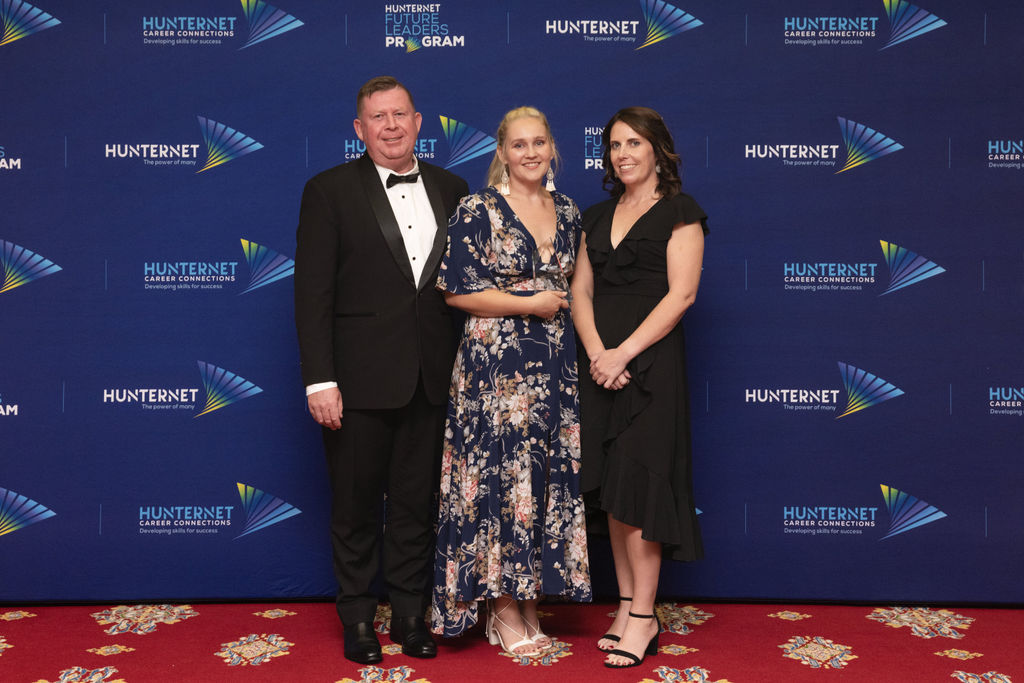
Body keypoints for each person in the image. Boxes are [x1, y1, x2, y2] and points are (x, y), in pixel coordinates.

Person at [293, 76, 468, 664]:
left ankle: (412, 616)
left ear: (419, 122)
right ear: (359, 129)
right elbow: (312, 294)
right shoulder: (328, 191)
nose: (391, 126)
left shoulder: (453, 188)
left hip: (432, 379)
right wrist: (321, 380)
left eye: (400, 115)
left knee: (418, 507)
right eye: (378, 117)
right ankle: (359, 619)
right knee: (355, 507)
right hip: (357, 383)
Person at [430, 107, 591, 657]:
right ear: (501, 152)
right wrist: (530, 303)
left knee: (538, 481)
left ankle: (528, 598)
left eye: (539, 142)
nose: (530, 153)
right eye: (518, 144)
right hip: (495, 368)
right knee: (498, 479)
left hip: (553, 366)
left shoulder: (568, 210)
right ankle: (499, 608)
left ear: (552, 149)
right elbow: (455, 291)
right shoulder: (476, 209)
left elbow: (579, 286)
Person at [570, 107, 707, 669]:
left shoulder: (681, 211)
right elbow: (579, 292)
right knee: (614, 487)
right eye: (614, 145)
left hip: (649, 366)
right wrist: (598, 354)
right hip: (599, 364)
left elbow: (682, 295)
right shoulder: (596, 215)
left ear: (657, 150)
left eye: (634, 143)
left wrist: (623, 353)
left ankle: (646, 616)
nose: (623, 153)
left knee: (643, 484)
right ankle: (626, 606)